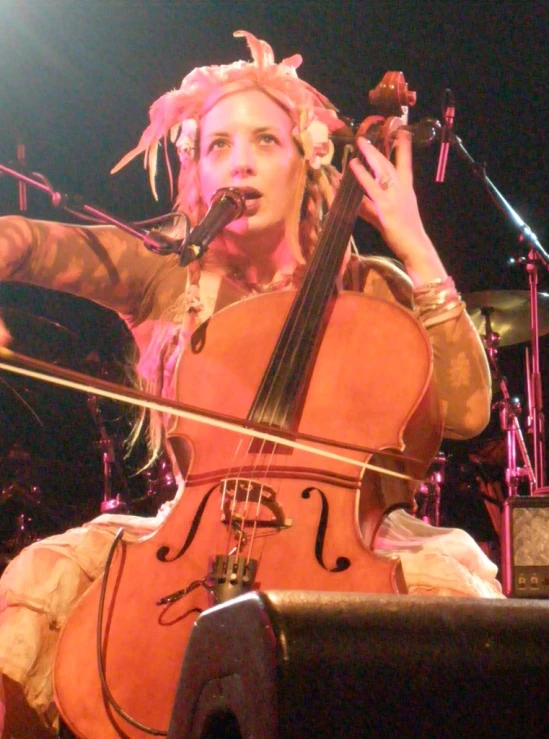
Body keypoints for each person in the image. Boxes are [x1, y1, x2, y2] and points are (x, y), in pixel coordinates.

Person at [0, 30, 502, 737]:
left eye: (266, 141)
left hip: (351, 538)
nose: (241, 161)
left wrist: (413, 243)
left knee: (456, 611)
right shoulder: (165, 273)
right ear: (195, 178)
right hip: (188, 539)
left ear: (309, 162)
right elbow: (30, 245)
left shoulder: (365, 287)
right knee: (31, 582)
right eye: (217, 146)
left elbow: (470, 410)